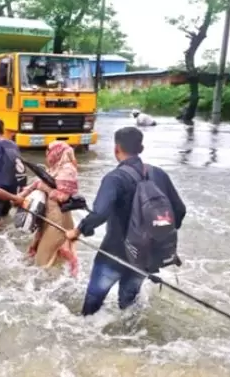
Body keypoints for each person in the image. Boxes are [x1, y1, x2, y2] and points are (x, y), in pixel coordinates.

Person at [65, 126, 186, 316]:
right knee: (128, 306)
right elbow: (179, 211)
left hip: (114, 253)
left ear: (116, 149)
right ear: (142, 148)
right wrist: (156, 237)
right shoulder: (159, 174)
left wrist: (78, 231)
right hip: (144, 255)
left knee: (93, 304)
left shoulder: (114, 178)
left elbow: (99, 214)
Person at [20, 141, 80, 274]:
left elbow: (62, 196)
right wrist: (23, 194)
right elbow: (38, 183)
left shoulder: (68, 170)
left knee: (42, 261)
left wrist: (44, 188)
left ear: (57, 152)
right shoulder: (54, 168)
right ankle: (62, 278)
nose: (46, 154)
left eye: (48, 150)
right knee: (46, 255)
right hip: (48, 216)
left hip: (58, 219)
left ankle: (49, 289)